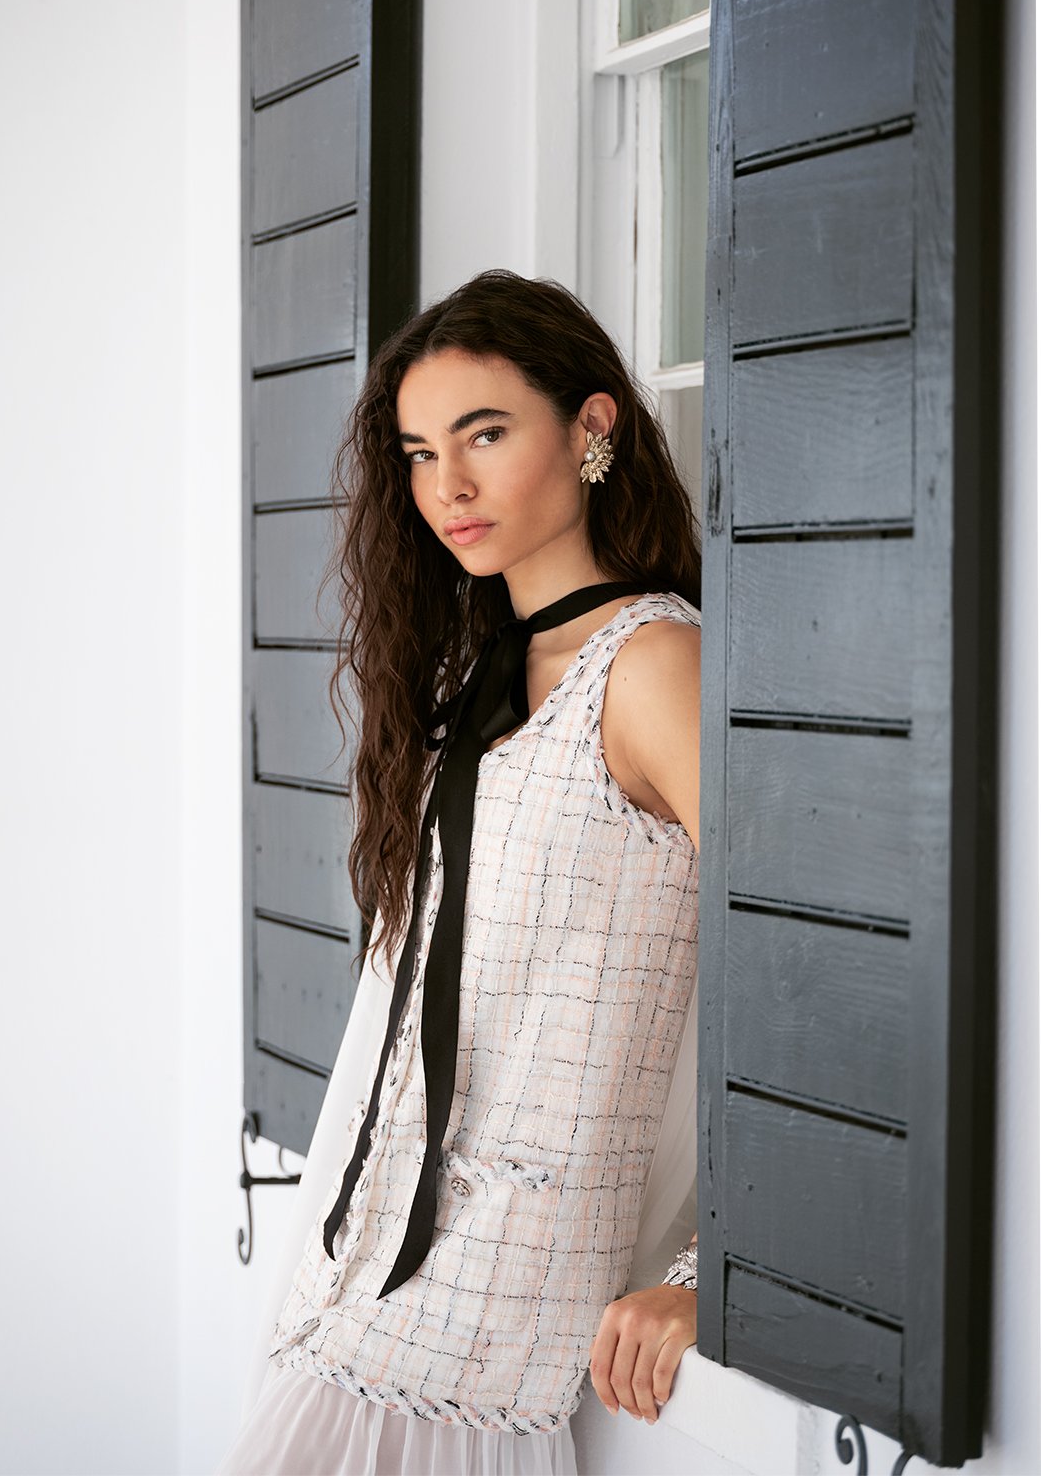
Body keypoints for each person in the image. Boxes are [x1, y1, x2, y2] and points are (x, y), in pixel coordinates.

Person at [218, 270, 703, 1475]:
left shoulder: (650, 664)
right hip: (360, 1293)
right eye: (422, 452)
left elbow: (809, 977)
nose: (450, 487)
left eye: (485, 434)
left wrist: (710, 1278)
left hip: (492, 1327)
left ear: (592, 427)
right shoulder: (468, 686)